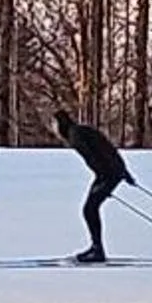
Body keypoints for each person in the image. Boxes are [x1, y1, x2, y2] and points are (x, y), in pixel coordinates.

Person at [54, 107, 132, 263]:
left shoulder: (75, 135)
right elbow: (108, 149)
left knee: (89, 209)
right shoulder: (80, 131)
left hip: (108, 173)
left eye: (54, 124)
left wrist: (105, 179)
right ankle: (96, 248)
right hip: (111, 172)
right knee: (90, 208)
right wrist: (123, 172)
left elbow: (94, 156)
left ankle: (97, 250)